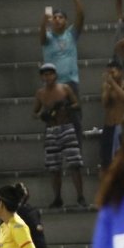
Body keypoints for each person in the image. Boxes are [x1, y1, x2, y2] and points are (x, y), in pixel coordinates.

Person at [33, 64, 85, 208]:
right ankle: (57, 198)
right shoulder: (40, 93)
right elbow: (34, 113)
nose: (48, 77)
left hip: (67, 127)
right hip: (51, 129)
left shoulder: (65, 89)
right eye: (45, 74)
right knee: (54, 167)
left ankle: (80, 196)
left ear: (55, 75)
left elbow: (77, 104)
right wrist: (42, 114)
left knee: (74, 164)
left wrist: (66, 106)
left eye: (50, 74)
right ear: (42, 77)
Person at [39, 0, 85, 138]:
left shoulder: (71, 34)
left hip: (71, 83)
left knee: (75, 121)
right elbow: (41, 36)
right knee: (52, 121)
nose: (57, 19)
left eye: (60, 17)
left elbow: (81, 16)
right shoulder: (47, 38)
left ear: (66, 21)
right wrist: (43, 22)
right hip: (52, 85)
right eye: (54, 17)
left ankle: (77, 151)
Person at [101, 61, 124, 170]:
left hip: (122, 126)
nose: (111, 75)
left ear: (121, 72)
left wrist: (113, 83)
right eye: (109, 73)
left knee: (123, 160)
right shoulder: (107, 86)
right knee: (107, 161)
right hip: (109, 125)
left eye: (113, 72)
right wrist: (108, 89)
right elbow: (105, 104)